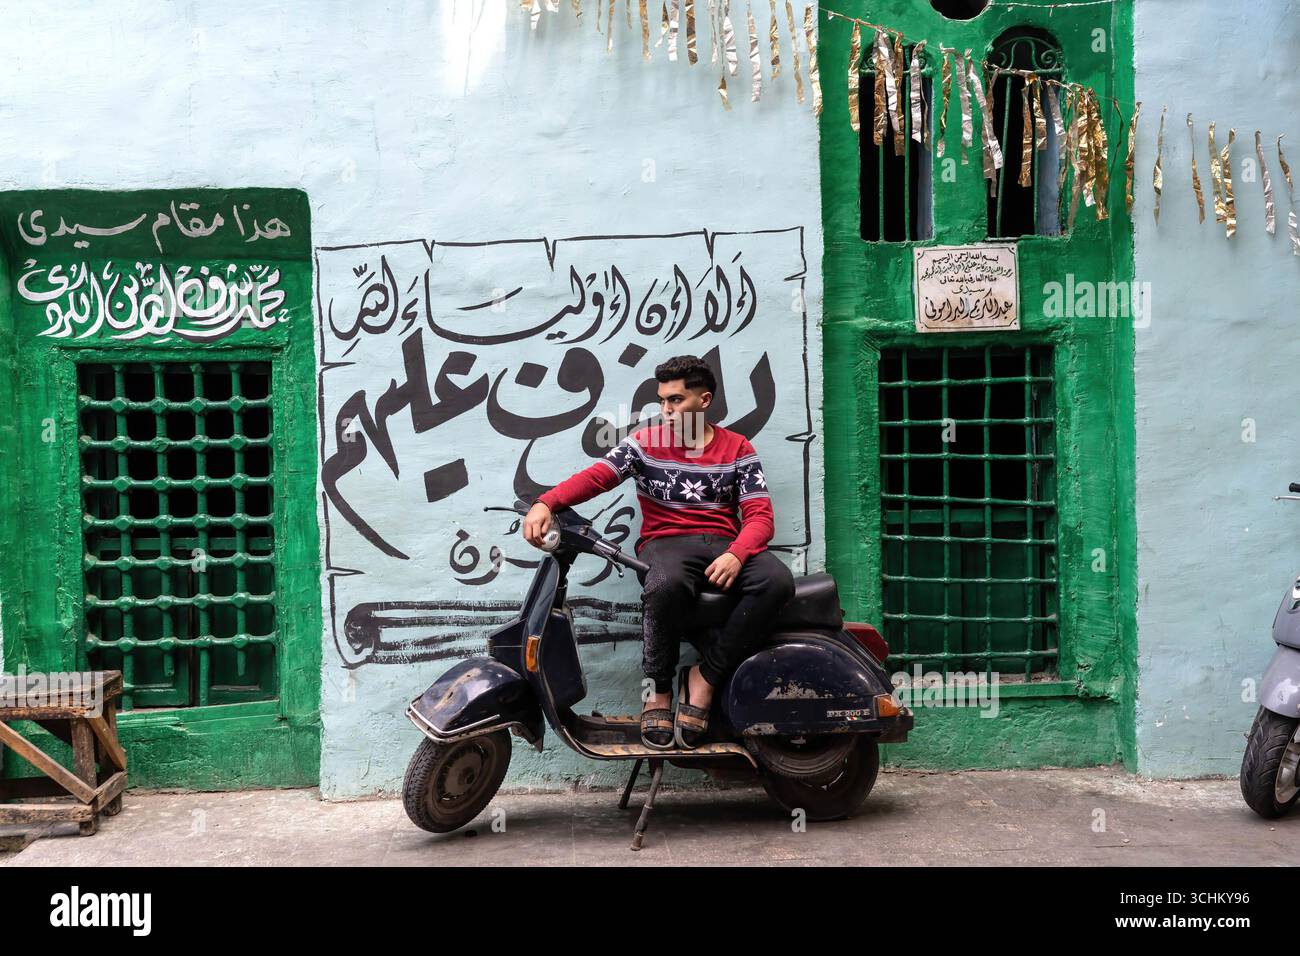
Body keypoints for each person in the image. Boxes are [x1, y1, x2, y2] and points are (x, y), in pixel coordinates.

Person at [523, 354, 795, 749]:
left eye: (676, 401)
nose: (666, 410)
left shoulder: (738, 448)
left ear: (703, 401)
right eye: (663, 401)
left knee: (777, 582)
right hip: (665, 544)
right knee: (663, 584)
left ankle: (706, 677)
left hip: (722, 544)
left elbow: (759, 517)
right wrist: (546, 503)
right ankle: (659, 691)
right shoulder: (644, 443)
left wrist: (737, 553)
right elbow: (597, 477)